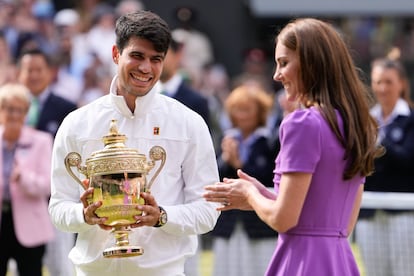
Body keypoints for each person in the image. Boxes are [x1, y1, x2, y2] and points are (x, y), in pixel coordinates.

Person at [204, 18, 383, 275]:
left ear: (311, 62)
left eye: (284, 63)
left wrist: (250, 194)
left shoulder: (302, 122)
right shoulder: (356, 124)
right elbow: (336, 220)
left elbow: (284, 219)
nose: (276, 75)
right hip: (340, 262)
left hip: (301, 262)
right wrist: (261, 195)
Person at [48, 10, 220, 276]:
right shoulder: (77, 123)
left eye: (156, 59)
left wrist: (162, 216)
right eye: (137, 56)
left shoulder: (188, 123)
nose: (145, 68)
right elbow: (58, 207)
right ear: (116, 54)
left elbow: (208, 210)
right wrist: (84, 215)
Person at [17, 48, 78, 276]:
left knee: (61, 264)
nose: (33, 75)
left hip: (56, 198)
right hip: (21, 199)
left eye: (38, 70)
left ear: (49, 72)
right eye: (28, 70)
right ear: (20, 72)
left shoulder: (66, 108)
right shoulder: (9, 106)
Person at [355, 50, 414, 276]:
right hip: (370, 212)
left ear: (401, 84)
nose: (383, 88)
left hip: (404, 216)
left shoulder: (411, 119)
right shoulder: (365, 120)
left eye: (388, 82)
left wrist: (379, 142)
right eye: (378, 82)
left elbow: (408, 159)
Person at [211, 84, 278, 276]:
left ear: (259, 112)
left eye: (247, 109)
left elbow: (269, 178)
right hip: (229, 223)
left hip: (260, 224)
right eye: (237, 110)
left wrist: (240, 165)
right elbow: (215, 177)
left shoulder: (269, 141)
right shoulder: (227, 139)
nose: (241, 115)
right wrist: (226, 159)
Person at [0, 83, 54, 276]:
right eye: (8, 109)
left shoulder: (41, 141)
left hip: (30, 226)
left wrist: (23, 178)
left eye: (19, 110)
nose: (14, 115)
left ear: (26, 112)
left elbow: (47, 186)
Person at [160, 37, 211, 128]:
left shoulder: (197, 101)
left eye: (163, 54)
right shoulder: (142, 96)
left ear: (178, 55)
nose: (158, 60)